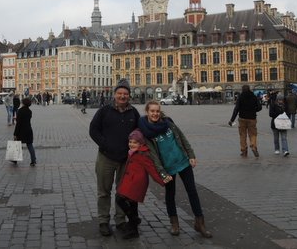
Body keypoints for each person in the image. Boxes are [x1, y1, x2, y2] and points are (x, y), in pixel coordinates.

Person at [139, 100, 213, 238]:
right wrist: (162, 172)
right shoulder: (146, 132)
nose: (155, 114)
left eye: (157, 111)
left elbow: (182, 138)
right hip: (167, 168)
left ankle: (200, 223)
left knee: (192, 191)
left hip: (182, 161)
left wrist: (191, 155)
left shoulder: (168, 123)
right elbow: (153, 155)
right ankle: (174, 224)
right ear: (147, 112)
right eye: (152, 111)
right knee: (170, 195)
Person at [89, 78, 140, 236]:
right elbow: (93, 130)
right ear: (115, 94)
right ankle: (104, 221)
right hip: (106, 157)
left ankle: (120, 221)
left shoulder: (134, 112)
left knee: (122, 192)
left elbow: (139, 132)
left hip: (126, 159)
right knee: (104, 191)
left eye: (125, 93)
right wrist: (105, 144)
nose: (122, 96)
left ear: (129, 96)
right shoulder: (104, 110)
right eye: (120, 93)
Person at [115, 129, 170, 239]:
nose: (131, 144)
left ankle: (134, 220)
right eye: (130, 142)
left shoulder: (143, 154)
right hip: (130, 181)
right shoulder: (132, 152)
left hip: (136, 183)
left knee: (120, 199)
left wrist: (162, 180)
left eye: (135, 142)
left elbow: (152, 169)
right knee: (132, 205)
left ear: (141, 143)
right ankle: (133, 228)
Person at [228, 84, 262, 157]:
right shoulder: (254, 97)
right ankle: (253, 146)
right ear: (249, 89)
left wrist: (231, 120)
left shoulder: (240, 97)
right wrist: (253, 110)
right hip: (252, 118)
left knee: (242, 135)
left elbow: (236, 109)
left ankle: (244, 150)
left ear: (242, 90)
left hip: (242, 118)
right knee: (253, 134)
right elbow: (259, 107)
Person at [13, 97, 36, 166]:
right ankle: (33, 160)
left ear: (23, 103)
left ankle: (15, 159)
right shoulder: (29, 111)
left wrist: (15, 133)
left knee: (18, 145)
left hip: (21, 131)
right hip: (28, 130)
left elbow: (19, 123)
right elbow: (25, 119)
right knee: (30, 145)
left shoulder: (20, 111)